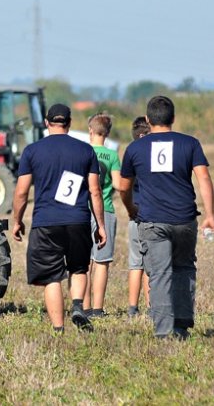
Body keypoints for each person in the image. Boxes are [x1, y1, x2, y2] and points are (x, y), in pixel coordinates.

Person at [119, 95, 214, 339]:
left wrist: (131, 208)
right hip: (185, 219)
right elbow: (203, 178)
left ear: (148, 120)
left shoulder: (135, 148)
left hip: (152, 220)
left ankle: (163, 332)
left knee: (160, 273)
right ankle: (182, 326)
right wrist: (210, 214)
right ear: (173, 118)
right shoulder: (190, 143)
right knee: (184, 268)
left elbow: (123, 186)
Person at [12, 103, 107, 333]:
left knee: (51, 276)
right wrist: (101, 226)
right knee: (79, 268)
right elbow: (95, 191)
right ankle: (77, 306)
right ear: (69, 123)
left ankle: (58, 329)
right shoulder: (86, 150)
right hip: (79, 220)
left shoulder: (32, 151)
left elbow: (22, 192)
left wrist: (17, 220)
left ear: (46, 123)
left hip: (46, 222)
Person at [82, 112, 121, 319]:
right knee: (102, 262)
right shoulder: (113, 156)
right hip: (105, 209)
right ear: (107, 133)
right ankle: (98, 309)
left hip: (84, 210)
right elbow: (117, 184)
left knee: (85, 261)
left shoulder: (84, 152)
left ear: (90, 131)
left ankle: (85, 307)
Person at [127, 116, 151, 318]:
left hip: (134, 213)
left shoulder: (132, 153)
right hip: (151, 214)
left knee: (136, 264)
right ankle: (152, 306)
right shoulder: (151, 155)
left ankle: (132, 308)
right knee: (151, 264)